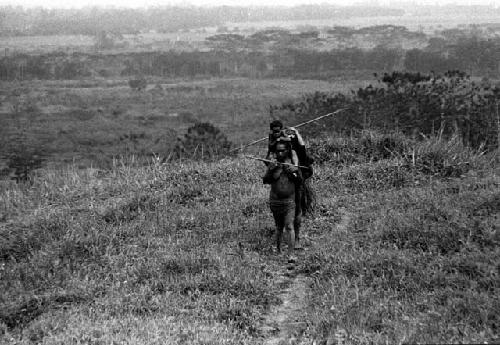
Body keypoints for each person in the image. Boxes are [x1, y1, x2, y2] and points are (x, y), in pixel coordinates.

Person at [265, 120, 315, 249]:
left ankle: (296, 239)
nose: (276, 133)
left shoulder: (289, 140)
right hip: (278, 173)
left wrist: (294, 168)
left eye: (278, 130)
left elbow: (300, 152)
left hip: (292, 173)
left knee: (297, 210)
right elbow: (269, 156)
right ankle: (280, 240)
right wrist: (271, 166)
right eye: (274, 131)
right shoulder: (272, 141)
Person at [263, 138, 302, 262]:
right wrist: (271, 169)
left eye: (282, 151)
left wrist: (295, 171)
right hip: (275, 202)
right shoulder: (273, 164)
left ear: (287, 150)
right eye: (278, 151)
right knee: (279, 227)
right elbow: (265, 180)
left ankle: (290, 254)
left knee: (289, 226)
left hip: (289, 202)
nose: (280, 153)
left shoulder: (293, 163)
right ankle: (279, 250)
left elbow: (300, 181)